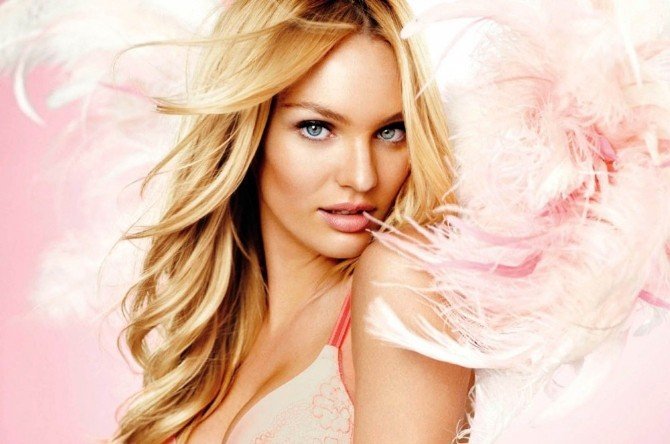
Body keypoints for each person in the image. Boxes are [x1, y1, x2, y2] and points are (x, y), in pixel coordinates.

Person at [111, 1, 473, 442]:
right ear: (248, 132)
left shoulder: (401, 283)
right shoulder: (210, 344)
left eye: (390, 131)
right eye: (317, 128)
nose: (362, 177)